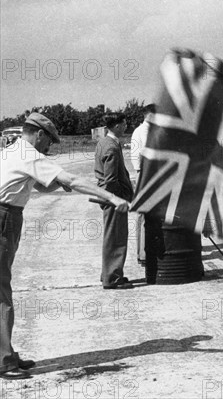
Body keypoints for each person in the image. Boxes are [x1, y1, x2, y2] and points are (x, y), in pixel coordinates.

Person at [0, 113, 128, 380]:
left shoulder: (14, 150)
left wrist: (55, 183)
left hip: (8, 215)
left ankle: (6, 353)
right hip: (4, 217)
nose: (50, 149)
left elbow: (39, 186)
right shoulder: (29, 155)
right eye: (50, 142)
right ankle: (3, 361)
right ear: (39, 134)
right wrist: (111, 197)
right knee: (1, 291)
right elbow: (73, 180)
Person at [94, 114, 134, 290]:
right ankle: (112, 278)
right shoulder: (111, 147)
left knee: (113, 236)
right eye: (124, 123)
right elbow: (111, 180)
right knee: (115, 238)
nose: (126, 126)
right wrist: (117, 199)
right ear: (117, 126)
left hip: (110, 197)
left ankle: (109, 274)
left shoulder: (104, 142)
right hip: (114, 199)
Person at [130, 104, 156, 267]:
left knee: (144, 215)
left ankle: (144, 253)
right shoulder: (145, 131)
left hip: (144, 173)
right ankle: (144, 254)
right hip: (146, 174)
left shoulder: (143, 130)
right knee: (145, 215)